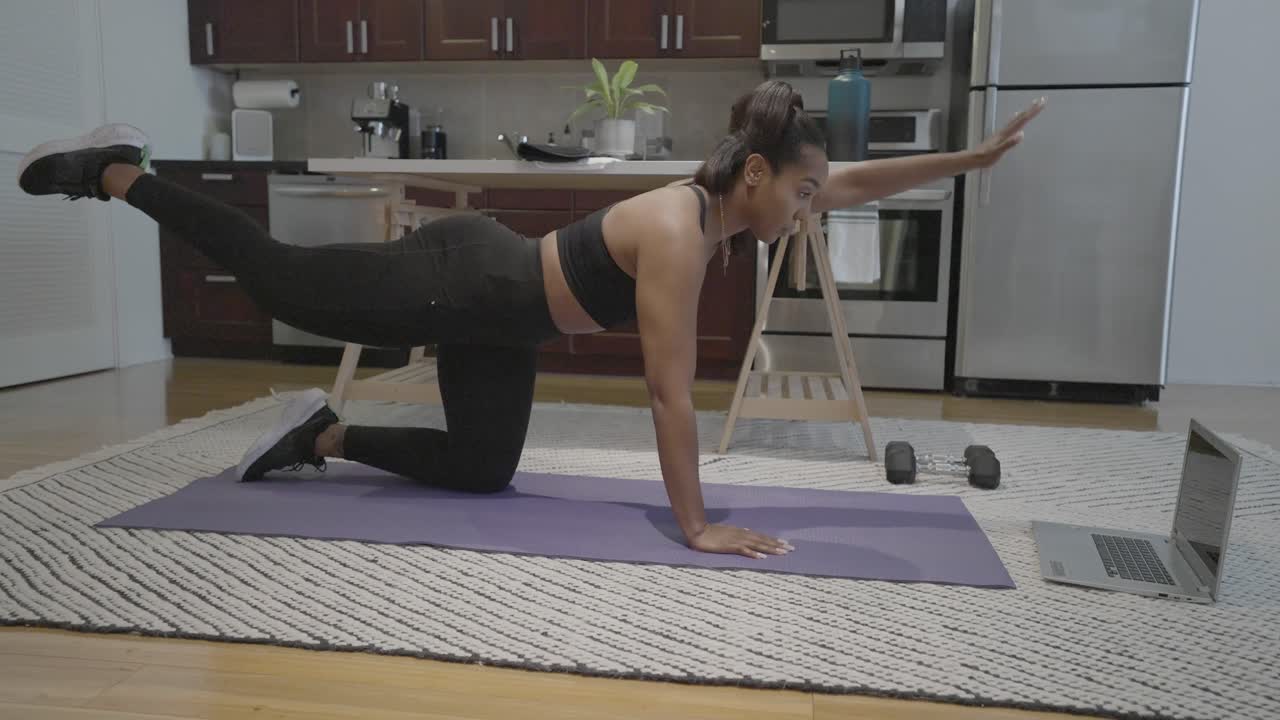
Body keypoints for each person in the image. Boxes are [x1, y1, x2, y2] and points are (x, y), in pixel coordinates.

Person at [17, 80, 1043, 561]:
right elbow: (665, 393)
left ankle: (325, 436)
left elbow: (856, 177)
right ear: (761, 175)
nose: (814, 205)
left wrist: (969, 159)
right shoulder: (686, 233)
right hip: (457, 279)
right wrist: (694, 525)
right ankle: (122, 172)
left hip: (501, 326)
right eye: (804, 192)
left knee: (481, 469)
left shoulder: (734, 201)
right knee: (283, 285)